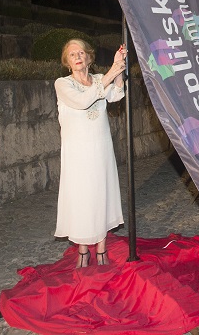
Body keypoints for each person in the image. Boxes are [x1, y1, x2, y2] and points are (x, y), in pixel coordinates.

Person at [54, 38, 128, 268]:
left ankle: (102, 249)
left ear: (88, 57)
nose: (77, 56)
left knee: (101, 194)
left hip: (101, 149)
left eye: (81, 53)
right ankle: (84, 252)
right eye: (72, 54)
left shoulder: (97, 79)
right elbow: (84, 100)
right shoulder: (63, 84)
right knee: (82, 199)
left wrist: (118, 68)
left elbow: (116, 95)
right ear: (67, 61)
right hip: (78, 153)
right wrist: (111, 72)